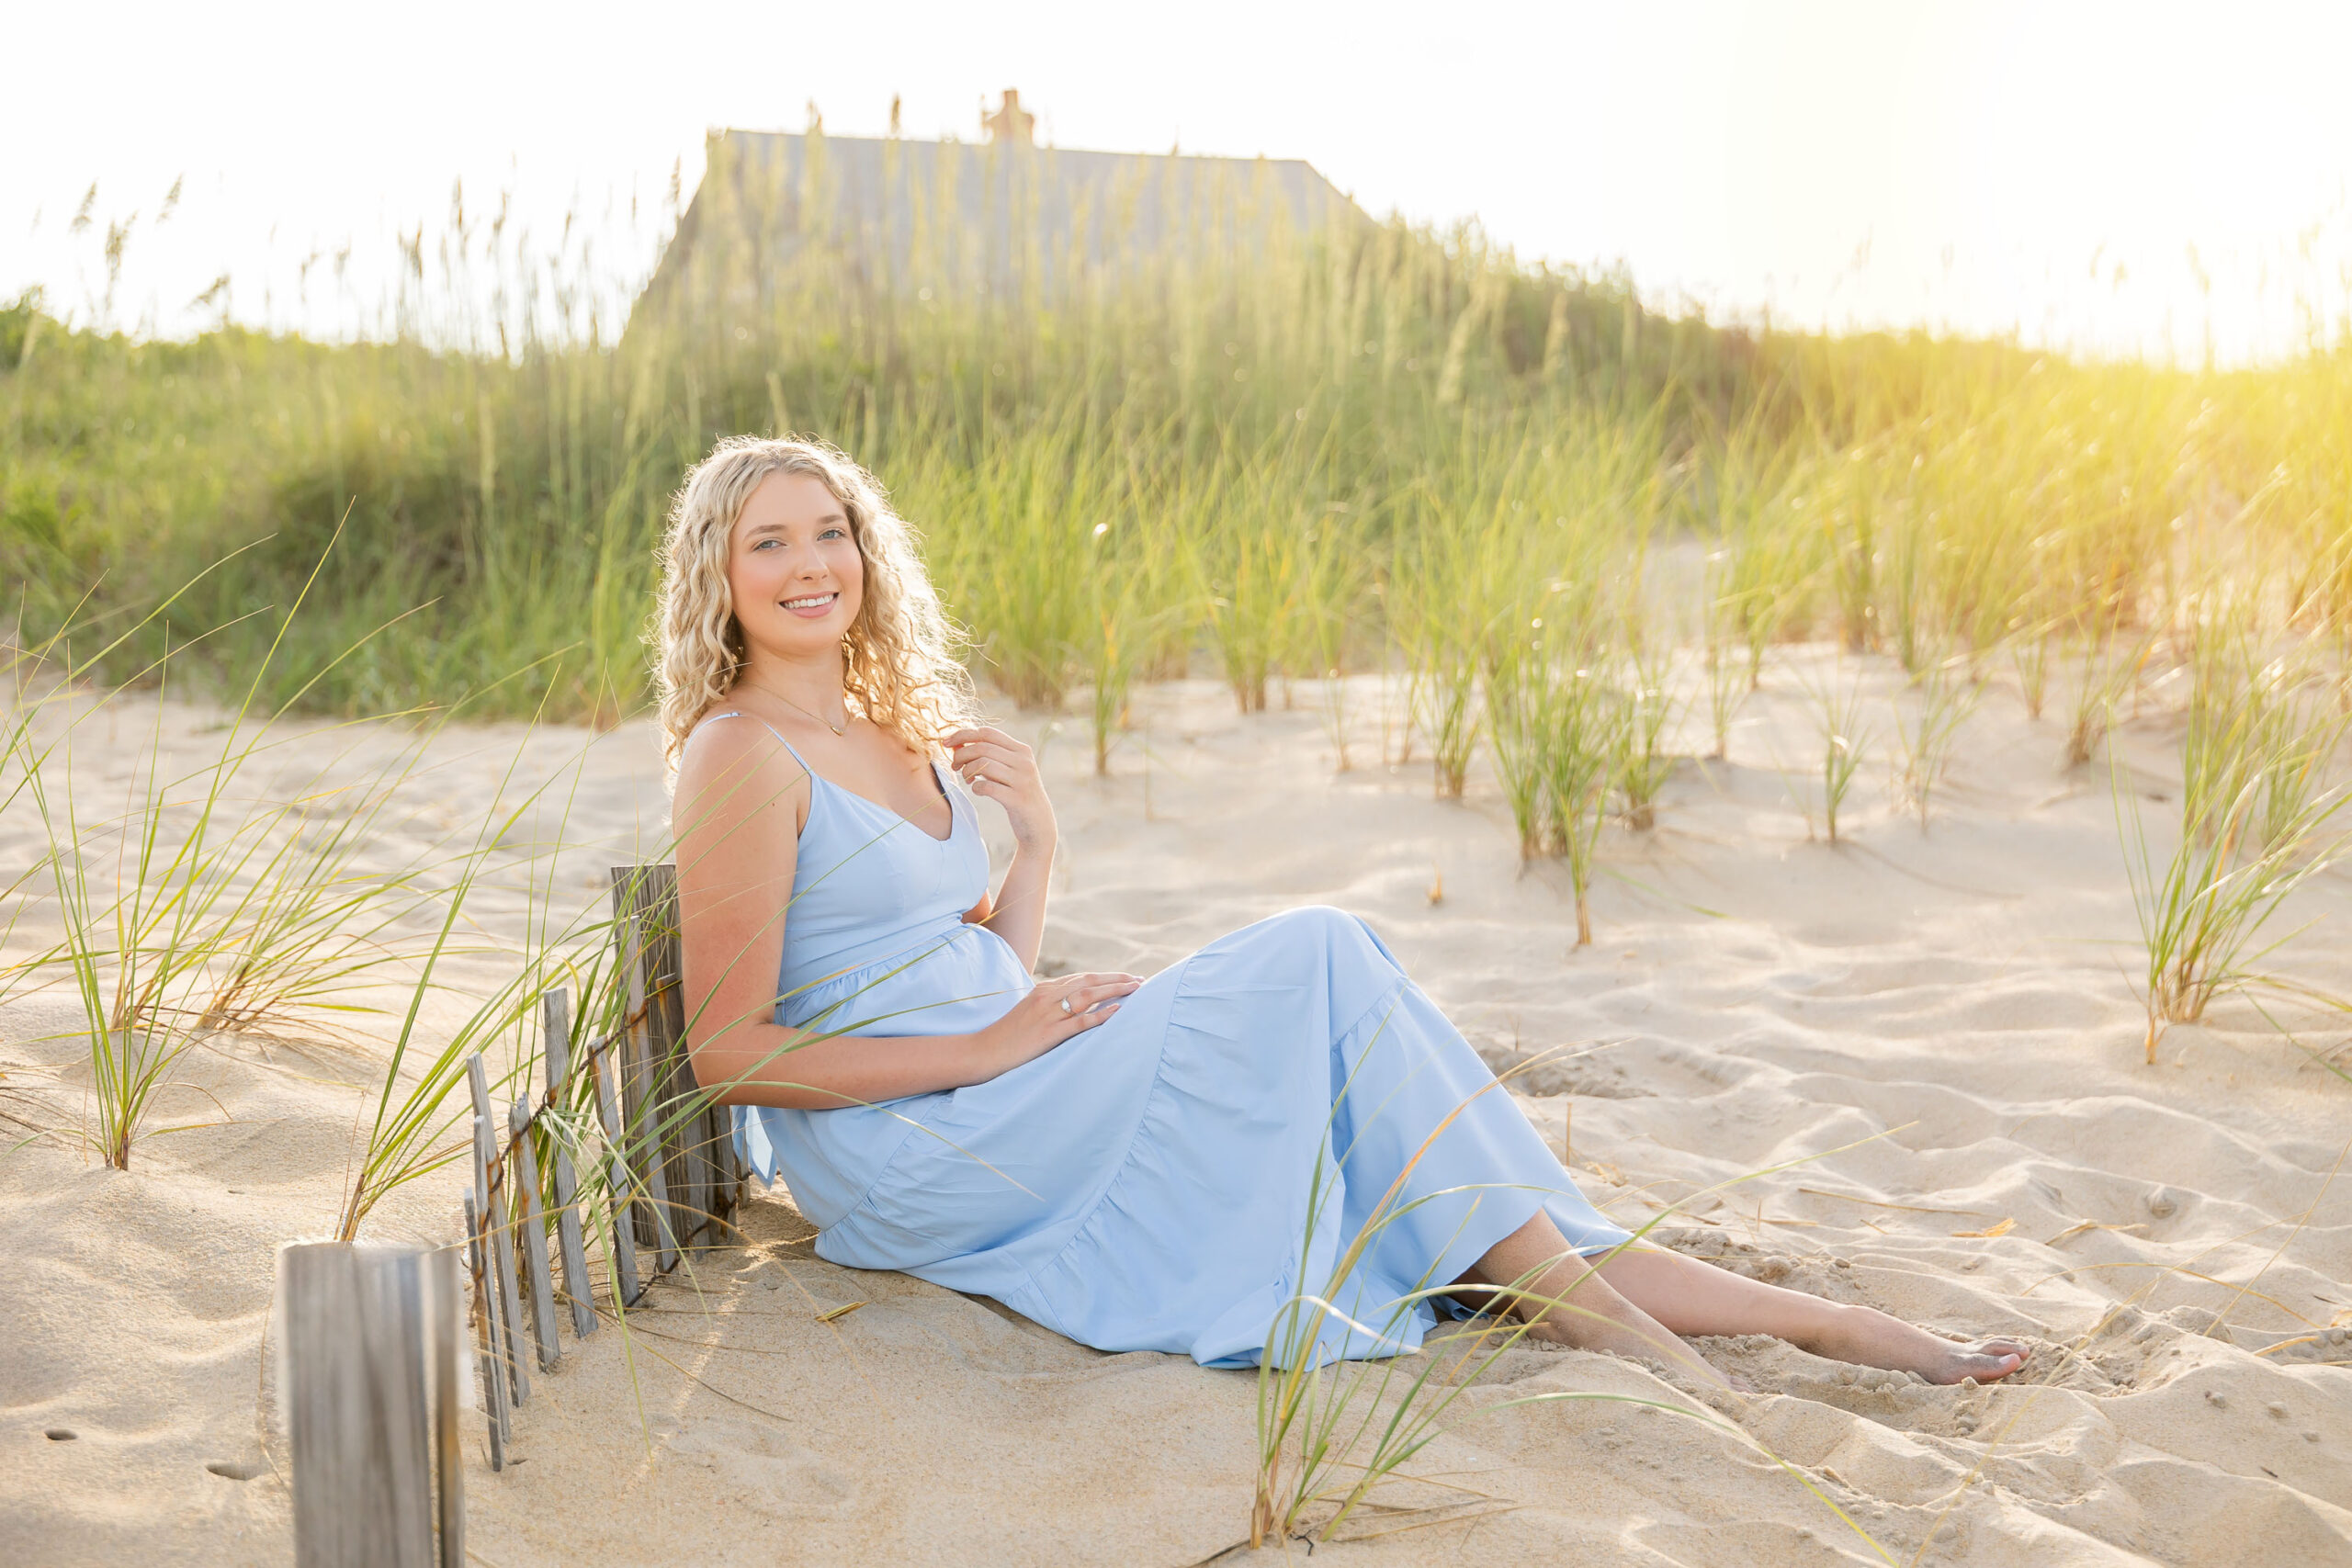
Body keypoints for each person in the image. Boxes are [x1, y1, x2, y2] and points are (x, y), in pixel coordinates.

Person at [662, 434, 2029, 1386]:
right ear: (719, 577)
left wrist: (1036, 855)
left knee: (1347, 1007)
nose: (809, 563)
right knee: (1314, 955)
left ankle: (1795, 1319)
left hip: (1009, 1079)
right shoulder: (737, 755)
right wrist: (991, 1049)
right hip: (910, 1148)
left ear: (865, 554)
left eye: (829, 531)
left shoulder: (898, 727)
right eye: (768, 541)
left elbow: (965, 971)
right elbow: (730, 1053)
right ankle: (1611, 1318)